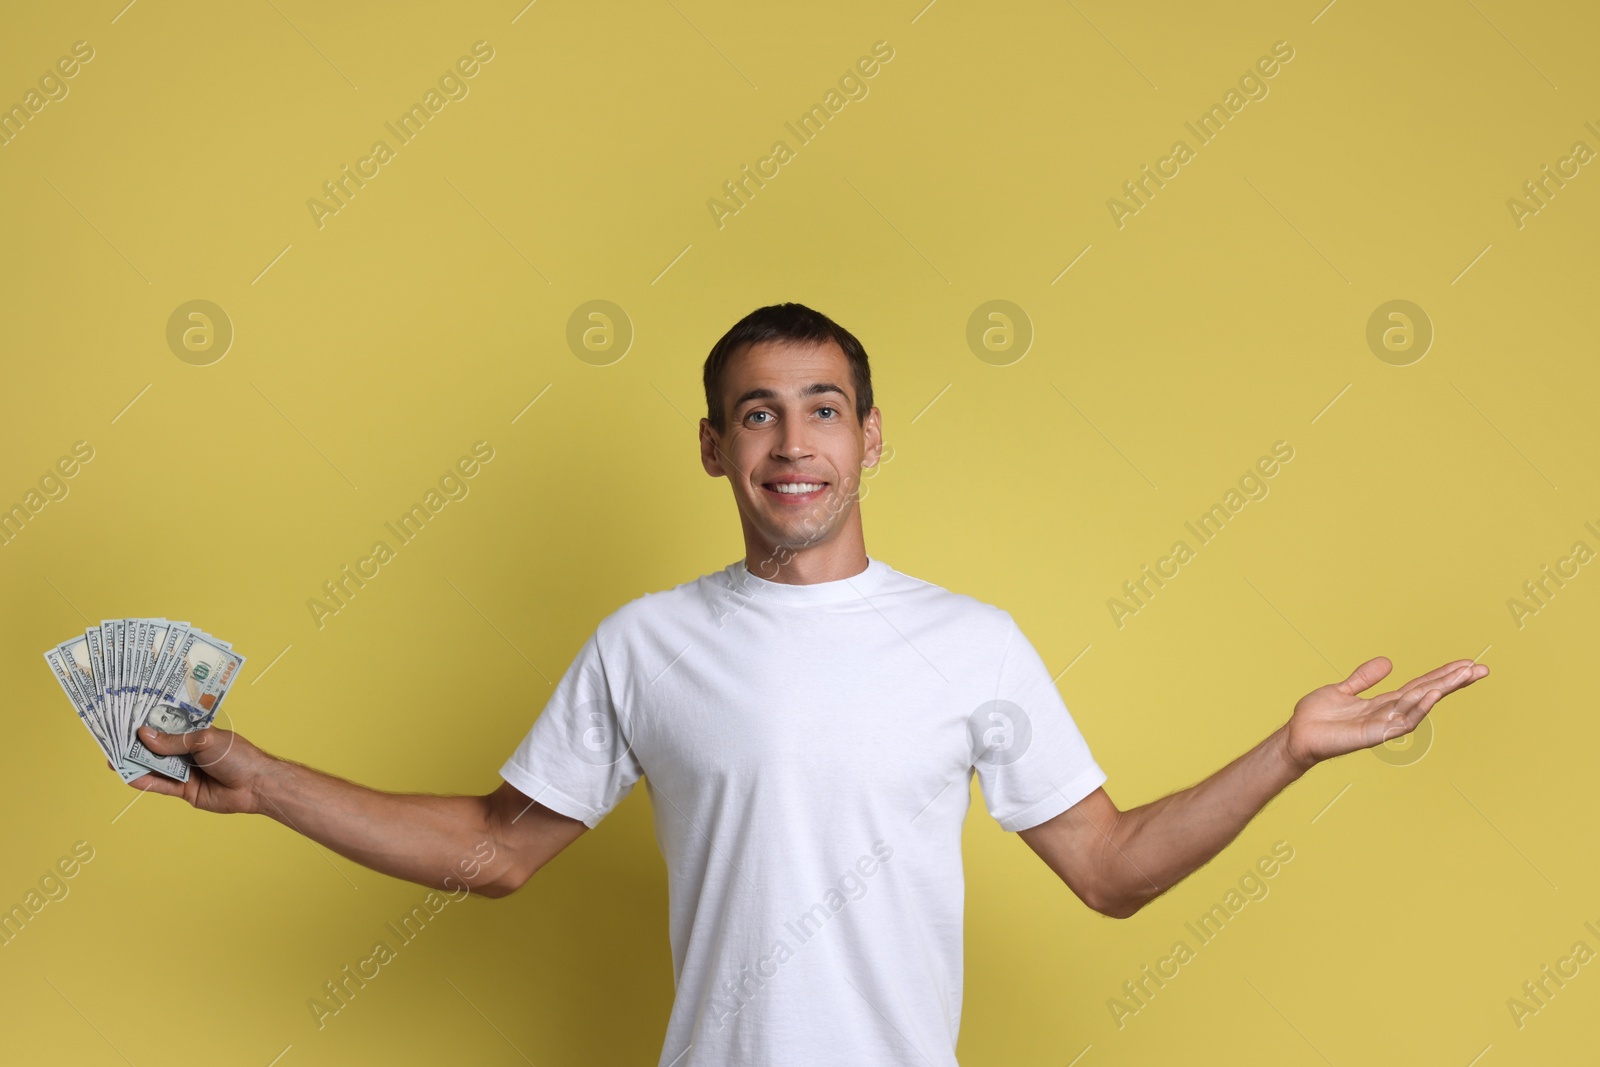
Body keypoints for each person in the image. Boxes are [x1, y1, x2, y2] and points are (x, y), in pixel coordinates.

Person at [129, 302, 1489, 1066]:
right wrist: (265, 782)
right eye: (760, 413)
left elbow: (1113, 869)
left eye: (824, 407)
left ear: (871, 438)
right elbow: (496, 851)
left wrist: (1289, 751)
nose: (795, 442)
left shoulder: (971, 642)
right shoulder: (645, 644)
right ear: (713, 448)